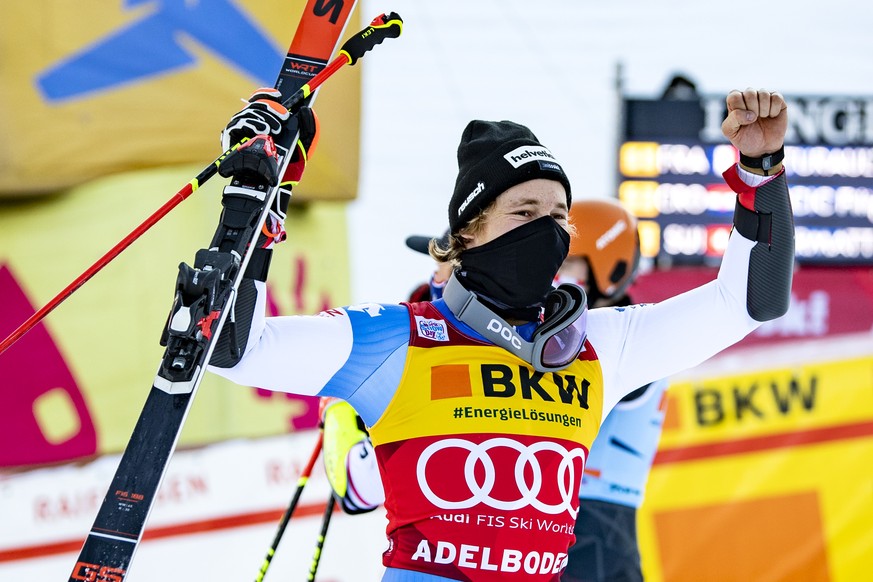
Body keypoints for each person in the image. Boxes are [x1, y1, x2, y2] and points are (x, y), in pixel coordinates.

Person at [208, 87, 794, 581]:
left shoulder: (600, 345)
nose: (548, 231)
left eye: (559, 216)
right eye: (524, 213)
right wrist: (257, 199)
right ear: (469, 230)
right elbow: (236, 347)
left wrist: (761, 174)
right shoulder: (397, 338)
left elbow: (746, 301)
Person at [554, 199, 666, 582]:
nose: (554, 275)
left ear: (607, 264)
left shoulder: (631, 336)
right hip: (570, 528)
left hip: (595, 532)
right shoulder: (576, 331)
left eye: (568, 263)